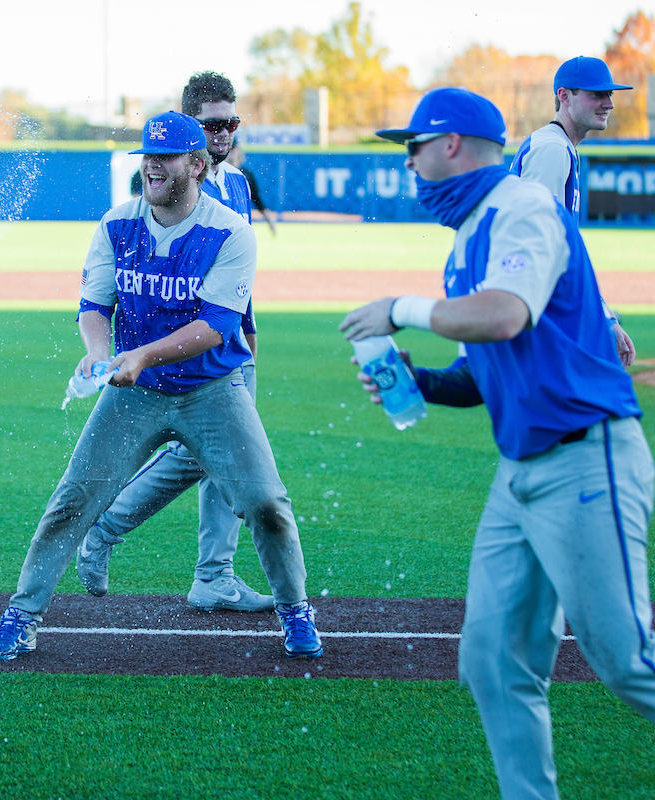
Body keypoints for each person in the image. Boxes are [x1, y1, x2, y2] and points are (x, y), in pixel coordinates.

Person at [340, 87, 655, 800]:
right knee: (493, 660)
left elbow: (506, 316)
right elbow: (481, 373)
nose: (410, 164)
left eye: (414, 147)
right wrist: (416, 381)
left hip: (586, 456)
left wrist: (399, 309)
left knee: (627, 658)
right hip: (524, 473)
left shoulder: (520, 207)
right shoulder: (470, 237)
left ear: (449, 144)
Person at [0, 111, 321, 663]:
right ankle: (20, 617)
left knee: (266, 503)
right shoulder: (117, 223)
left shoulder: (230, 230)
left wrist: (139, 354)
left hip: (213, 388)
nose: (152, 167)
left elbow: (217, 325)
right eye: (147, 157)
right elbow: (94, 307)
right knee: (72, 502)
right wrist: (97, 356)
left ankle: (295, 611)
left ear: (197, 164)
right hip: (133, 392)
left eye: (164, 158)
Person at [76, 72, 275, 613]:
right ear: (191, 127)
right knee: (203, 456)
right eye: (214, 124)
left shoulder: (232, 181)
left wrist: (248, 336)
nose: (226, 133)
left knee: (221, 462)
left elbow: (235, 276)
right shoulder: (170, 182)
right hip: (169, 347)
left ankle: (215, 576)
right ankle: (107, 527)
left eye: (232, 122)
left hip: (225, 340)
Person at [509, 55, 635, 366]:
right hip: (538, 308)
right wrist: (596, 319)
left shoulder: (558, 146)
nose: (609, 103)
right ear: (564, 96)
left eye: (609, 94)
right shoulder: (552, 149)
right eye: (597, 94)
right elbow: (543, 243)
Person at [225, 141, 278, 235]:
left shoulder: (246, 174)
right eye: (228, 149)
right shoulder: (217, 173)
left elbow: (256, 198)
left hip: (240, 221)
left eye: (232, 148)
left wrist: (269, 219)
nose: (230, 152)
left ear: (238, 150)